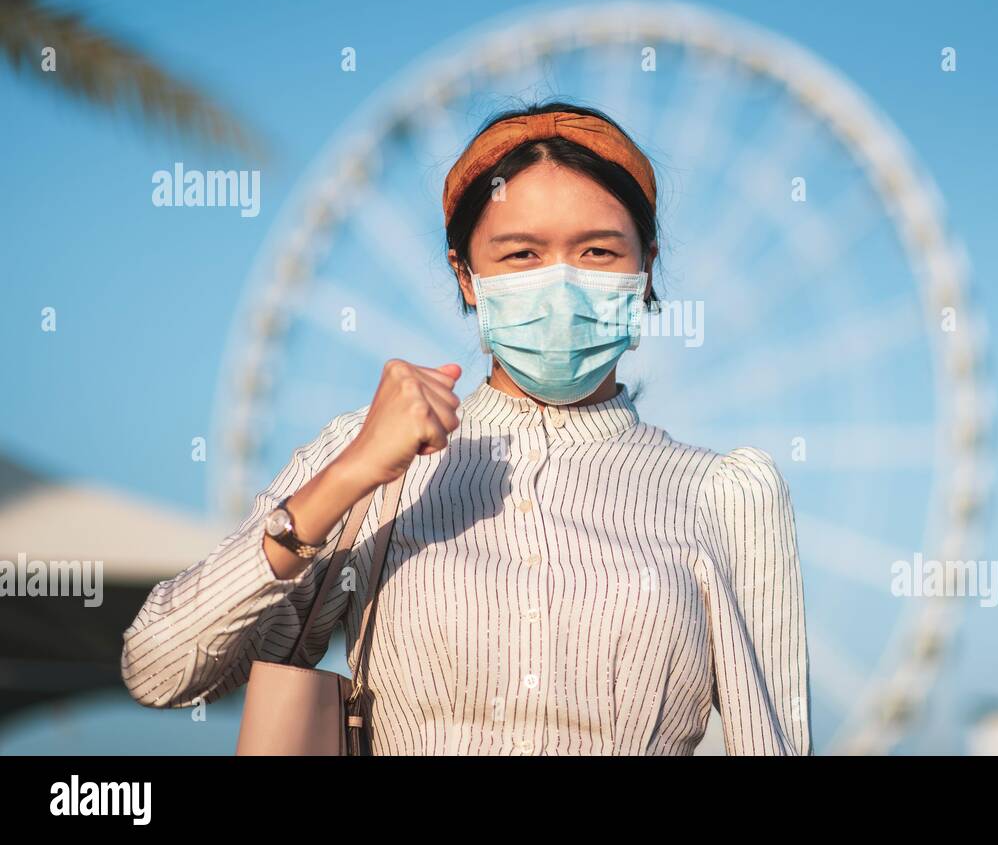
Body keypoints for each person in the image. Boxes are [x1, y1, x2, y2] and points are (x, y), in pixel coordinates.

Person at [121, 100, 813, 755]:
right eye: (521, 255)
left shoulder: (725, 494)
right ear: (467, 277)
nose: (561, 284)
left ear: (647, 267)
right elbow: (159, 670)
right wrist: (350, 474)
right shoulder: (373, 460)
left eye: (599, 252)